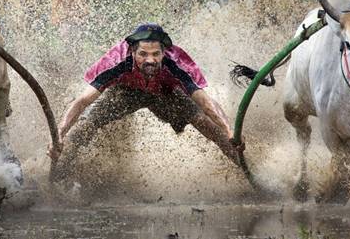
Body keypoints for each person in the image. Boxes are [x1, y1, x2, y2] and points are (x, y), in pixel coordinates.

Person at [48, 23, 246, 178]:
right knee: (85, 125)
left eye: (155, 54)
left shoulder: (176, 62)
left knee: (206, 122)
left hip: (166, 93)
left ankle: (247, 170)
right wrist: (59, 135)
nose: (150, 60)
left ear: (163, 53)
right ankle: (58, 175)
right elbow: (82, 101)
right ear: (132, 52)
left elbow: (206, 102)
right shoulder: (116, 60)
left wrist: (230, 130)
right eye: (143, 54)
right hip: (126, 93)